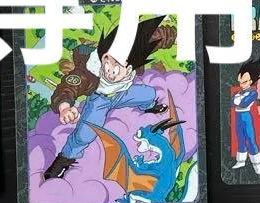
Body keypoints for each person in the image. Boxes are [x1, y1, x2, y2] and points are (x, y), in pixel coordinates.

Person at [42, 17, 174, 182]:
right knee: (85, 134)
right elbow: (69, 87)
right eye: (108, 62)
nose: (111, 71)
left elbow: (152, 39)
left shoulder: (135, 53)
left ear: (130, 68)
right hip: (100, 100)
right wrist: (64, 107)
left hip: (123, 93)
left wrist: (170, 35)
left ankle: (148, 106)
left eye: (119, 68)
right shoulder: (88, 72)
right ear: (103, 57)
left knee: (149, 94)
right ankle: (64, 159)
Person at [230, 58, 260, 174]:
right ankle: (241, 161)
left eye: (244, 82)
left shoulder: (253, 92)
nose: (241, 85)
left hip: (245, 116)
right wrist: (237, 100)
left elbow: (243, 103)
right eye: (240, 82)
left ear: (250, 81)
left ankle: (256, 163)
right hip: (238, 116)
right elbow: (232, 102)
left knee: (250, 139)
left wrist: (237, 100)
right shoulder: (238, 92)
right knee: (240, 138)